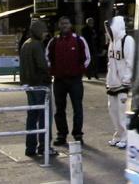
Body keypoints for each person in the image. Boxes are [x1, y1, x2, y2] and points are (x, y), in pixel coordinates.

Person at [46, 17, 90, 145]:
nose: (64, 25)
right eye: (62, 23)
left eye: (66, 23)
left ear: (70, 25)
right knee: (59, 109)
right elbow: (47, 57)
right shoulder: (53, 42)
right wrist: (53, 70)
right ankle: (61, 135)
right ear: (59, 25)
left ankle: (78, 135)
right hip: (59, 81)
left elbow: (87, 57)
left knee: (78, 108)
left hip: (75, 80)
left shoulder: (78, 40)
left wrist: (79, 71)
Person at [20, 19, 55, 158]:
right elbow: (42, 65)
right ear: (39, 31)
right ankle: (45, 147)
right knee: (45, 117)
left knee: (32, 117)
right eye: (44, 31)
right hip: (41, 85)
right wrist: (49, 76)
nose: (46, 34)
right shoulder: (37, 45)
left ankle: (30, 147)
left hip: (29, 85)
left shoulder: (25, 44)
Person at [105, 14, 134, 148]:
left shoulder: (127, 40)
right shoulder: (112, 43)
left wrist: (126, 80)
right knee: (113, 112)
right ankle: (119, 135)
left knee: (123, 113)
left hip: (123, 84)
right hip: (112, 83)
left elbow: (130, 62)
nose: (108, 31)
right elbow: (110, 63)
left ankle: (126, 138)